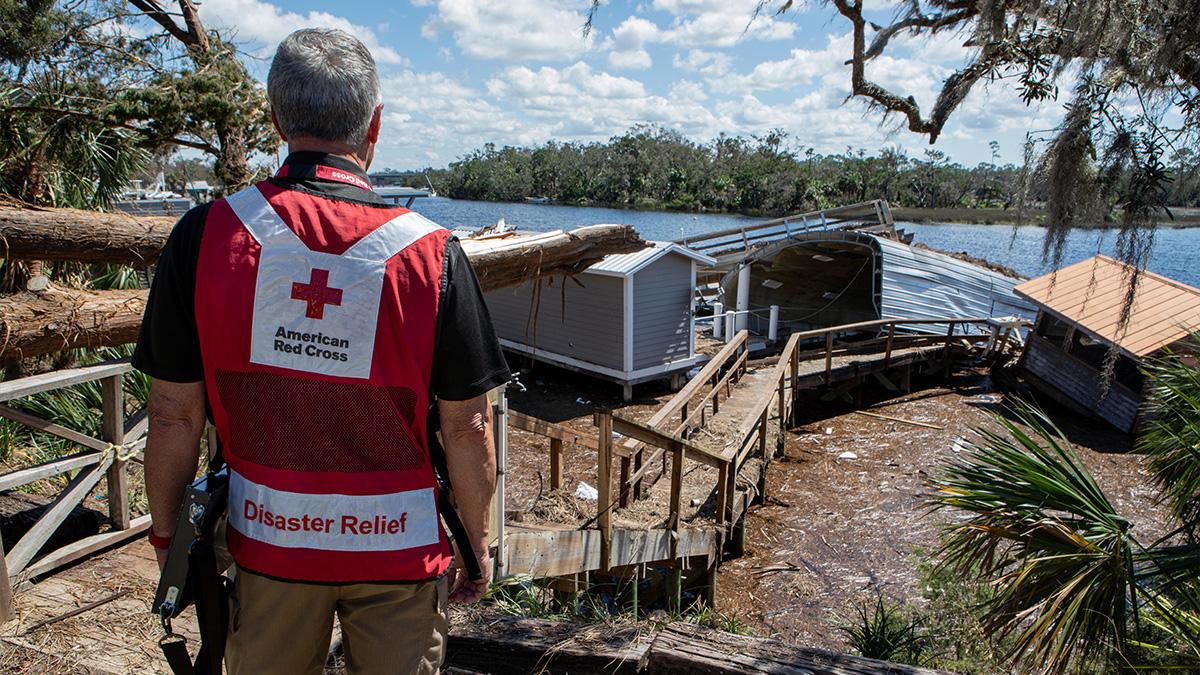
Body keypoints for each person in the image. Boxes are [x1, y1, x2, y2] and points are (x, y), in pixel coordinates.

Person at [134, 28, 511, 675]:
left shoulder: (206, 236)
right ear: (376, 125)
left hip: (270, 548)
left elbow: (173, 415)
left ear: (277, 118)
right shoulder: (433, 255)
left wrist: (169, 536)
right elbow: (470, 424)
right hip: (398, 553)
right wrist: (478, 544)